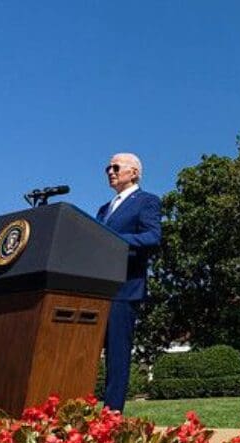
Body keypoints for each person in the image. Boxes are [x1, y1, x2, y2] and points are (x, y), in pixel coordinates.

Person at [96, 152, 162, 411]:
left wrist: (114, 239)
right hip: (97, 288)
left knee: (117, 356)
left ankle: (111, 417)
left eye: (115, 167)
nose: (110, 172)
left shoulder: (146, 201)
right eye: (107, 168)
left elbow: (152, 237)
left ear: (133, 172)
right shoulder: (104, 209)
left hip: (124, 289)